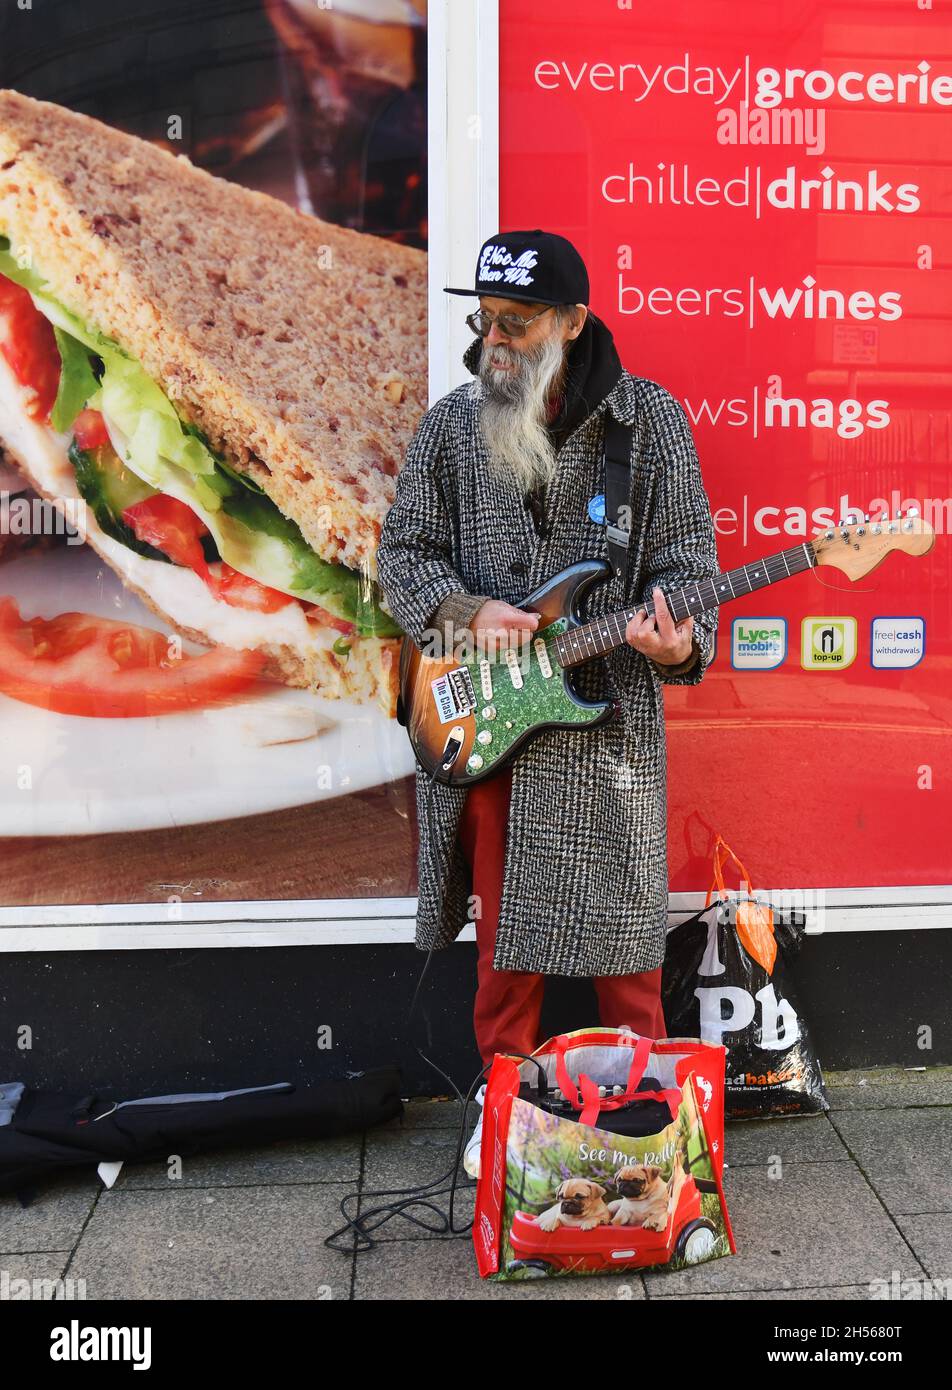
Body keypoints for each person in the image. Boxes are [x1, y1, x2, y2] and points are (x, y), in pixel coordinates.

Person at [376, 230, 719, 1175]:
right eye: (485, 321)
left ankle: (644, 1122)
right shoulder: (451, 426)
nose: (495, 342)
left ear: (574, 322)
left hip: (606, 732)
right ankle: (506, 1117)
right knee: (503, 955)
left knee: (628, 951)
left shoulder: (649, 425)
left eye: (518, 325)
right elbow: (398, 559)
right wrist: (463, 609)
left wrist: (679, 642)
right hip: (487, 726)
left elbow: (691, 567)